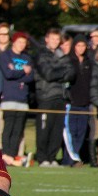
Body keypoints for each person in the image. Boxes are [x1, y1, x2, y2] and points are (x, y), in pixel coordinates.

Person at [33, 28, 72, 167]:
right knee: (44, 129)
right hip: (46, 96)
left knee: (57, 130)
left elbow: (71, 73)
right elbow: (48, 74)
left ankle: (52, 157)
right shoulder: (41, 55)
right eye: (52, 38)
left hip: (60, 97)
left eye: (57, 39)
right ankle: (42, 157)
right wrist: (63, 71)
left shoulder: (62, 55)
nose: (55, 41)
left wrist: (59, 71)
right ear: (46, 39)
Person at [0, 32, 34, 166]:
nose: (21, 45)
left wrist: (16, 73)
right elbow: (8, 74)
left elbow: (31, 77)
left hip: (22, 99)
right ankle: (5, 155)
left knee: (18, 130)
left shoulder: (27, 58)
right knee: (8, 128)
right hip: (9, 98)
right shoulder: (5, 56)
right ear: (13, 42)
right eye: (19, 42)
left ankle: (12, 156)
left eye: (24, 42)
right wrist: (23, 71)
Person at [62, 35, 92, 167]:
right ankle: (70, 159)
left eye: (83, 45)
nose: (81, 48)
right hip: (71, 103)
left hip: (85, 103)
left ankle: (75, 157)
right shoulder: (68, 61)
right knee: (70, 132)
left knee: (81, 133)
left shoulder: (89, 63)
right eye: (78, 45)